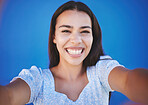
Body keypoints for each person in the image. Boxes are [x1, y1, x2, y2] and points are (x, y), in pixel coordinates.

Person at [0, 1, 148, 105]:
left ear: (93, 37)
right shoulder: (38, 80)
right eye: (66, 30)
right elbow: (10, 96)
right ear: (54, 37)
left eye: (84, 31)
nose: (76, 40)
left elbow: (128, 81)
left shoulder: (101, 71)